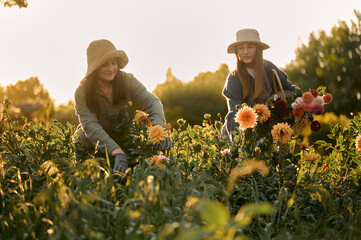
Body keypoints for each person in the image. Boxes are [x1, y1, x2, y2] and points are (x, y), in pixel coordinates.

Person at [74, 39, 172, 176]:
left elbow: (154, 103)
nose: (111, 69)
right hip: (93, 140)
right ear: (95, 67)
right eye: (104, 65)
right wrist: (117, 152)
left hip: (124, 136)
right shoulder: (82, 92)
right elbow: (90, 126)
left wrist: (158, 130)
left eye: (113, 63)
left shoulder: (127, 81)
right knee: (82, 138)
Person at [221, 28, 300, 142]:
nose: (245, 52)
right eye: (241, 47)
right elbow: (234, 113)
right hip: (237, 138)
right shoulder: (234, 78)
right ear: (237, 51)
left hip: (264, 135)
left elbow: (291, 90)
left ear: (258, 49)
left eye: (250, 47)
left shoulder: (269, 69)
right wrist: (238, 146)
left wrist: (307, 114)